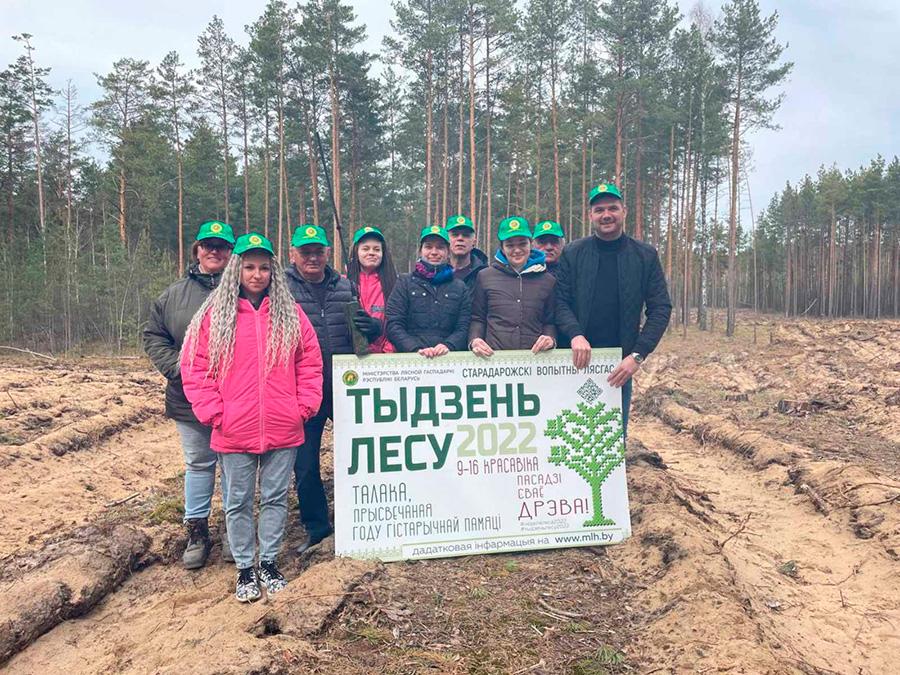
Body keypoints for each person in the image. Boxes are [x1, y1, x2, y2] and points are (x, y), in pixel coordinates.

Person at [181, 232, 323, 603]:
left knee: (275, 498)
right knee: (238, 500)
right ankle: (245, 566)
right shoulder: (215, 315)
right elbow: (195, 367)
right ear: (236, 270)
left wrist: (303, 406)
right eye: (248, 267)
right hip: (234, 426)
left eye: (263, 267)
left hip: (283, 424)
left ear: (273, 271)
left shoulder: (290, 314)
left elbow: (310, 362)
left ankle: (269, 562)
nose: (256, 274)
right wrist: (213, 411)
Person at [143, 220, 235, 570]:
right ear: (197, 250)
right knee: (198, 464)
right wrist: (182, 370)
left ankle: (232, 526)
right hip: (188, 398)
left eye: (222, 246)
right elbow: (154, 336)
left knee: (233, 466)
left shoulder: (245, 291)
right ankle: (197, 531)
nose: (214, 251)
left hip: (233, 397)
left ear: (231, 253)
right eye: (208, 245)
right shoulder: (172, 295)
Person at [286, 224, 378, 553]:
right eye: (305, 251)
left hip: (345, 387)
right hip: (302, 390)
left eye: (318, 251)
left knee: (361, 456)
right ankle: (317, 527)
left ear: (328, 253)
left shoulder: (345, 286)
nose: (312, 257)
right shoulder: (280, 288)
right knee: (306, 463)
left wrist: (373, 326)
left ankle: (363, 517)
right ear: (292, 253)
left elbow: (362, 339)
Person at [556, 183, 672, 433]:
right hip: (573, 362)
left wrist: (638, 355)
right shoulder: (573, 253)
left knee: (612, 439)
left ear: (624, 211)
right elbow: (559, 301)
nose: (606, 215)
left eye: (612, 208)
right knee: (569, 434)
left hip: (618, 368)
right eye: (599, 210)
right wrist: (575, 334)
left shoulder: (645, 256)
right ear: (590, 215)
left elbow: (661, 308)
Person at [469, 216, 557, 356]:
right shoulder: (485, 276)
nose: (517, 250)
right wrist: (475, 340)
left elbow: (550, 321)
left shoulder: (548, 280)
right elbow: (477, 318)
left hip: (535, 360)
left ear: (531, 244)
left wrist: (550, 338)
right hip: (493, 360)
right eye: (510, 245)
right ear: (502, 248)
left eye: (522, 244)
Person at [386, 225, 472, 357]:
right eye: (428, 247)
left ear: (448, 252)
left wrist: (449, 345)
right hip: (411, 359)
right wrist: (415, 348)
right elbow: (393, 323)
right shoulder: (404, 282)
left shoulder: (460, 287)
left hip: (449, 359)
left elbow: (464, 326)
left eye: (440, 247)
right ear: (420, 251)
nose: (434, 252)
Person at [346, 225, 398, 353]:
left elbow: (399, 322)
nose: (371, 253)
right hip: (352, 357)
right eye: (365, 248)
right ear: (356, 252)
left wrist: (387, 352)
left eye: (377, 249)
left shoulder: (396, 284)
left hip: (384, 358)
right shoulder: (343, 283)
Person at [445, 214, 488, 288]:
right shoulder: (435, 273)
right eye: (455, 235)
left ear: (474, 242)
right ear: (446, 240)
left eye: (466, 235)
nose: (460, 239)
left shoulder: (485, 275)